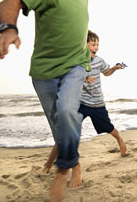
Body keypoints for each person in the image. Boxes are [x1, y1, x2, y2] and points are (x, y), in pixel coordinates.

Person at [0, 0, 98, 201]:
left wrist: (85, 64)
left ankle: (64, 170)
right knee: (58, 126)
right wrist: (8, 28)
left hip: (75, 67)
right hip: (44, 72)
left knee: (67, 112)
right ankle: (74, 164)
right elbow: (12, 0)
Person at [39, 30, 127, 174]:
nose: (96, 47)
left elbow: (106, 73)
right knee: (66, 132)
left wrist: (115, 69)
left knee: (109, 128)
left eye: (97, 44)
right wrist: (82, 78)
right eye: (93, 44)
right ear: (83, 45)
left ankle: (120, 140)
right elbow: (66, 78)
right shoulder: (75, 62)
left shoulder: (99, 61)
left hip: (97, 103)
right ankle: (48, 165)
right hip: (79, 103)